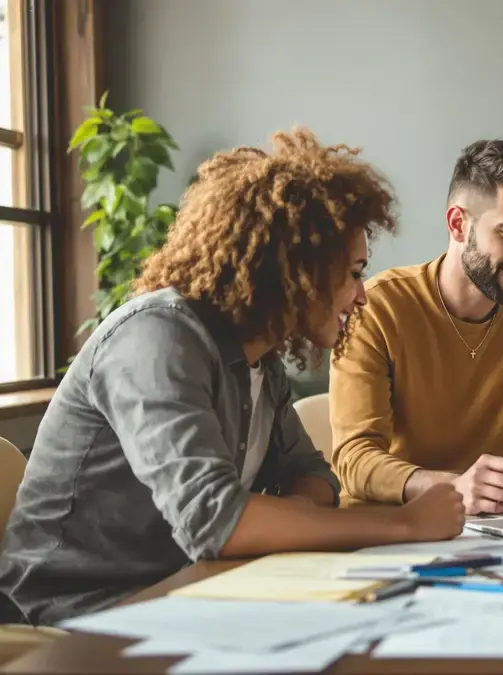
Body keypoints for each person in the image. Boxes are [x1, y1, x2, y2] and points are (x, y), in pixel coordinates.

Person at [0, 129, 466, 625]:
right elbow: (215, 521)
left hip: (186, 590)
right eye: (353, 272)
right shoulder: (156, 338)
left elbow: (316, 478)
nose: (362, 295)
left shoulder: (260, 361)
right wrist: (403, 523)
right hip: (67, 615)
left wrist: (276, 519)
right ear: (298, 270)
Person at [330, 139, 503, 515]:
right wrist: (454, 487)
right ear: (459, 224)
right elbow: (354, 460)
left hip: (486, 532)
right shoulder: (377, 308)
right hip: (386, 527)